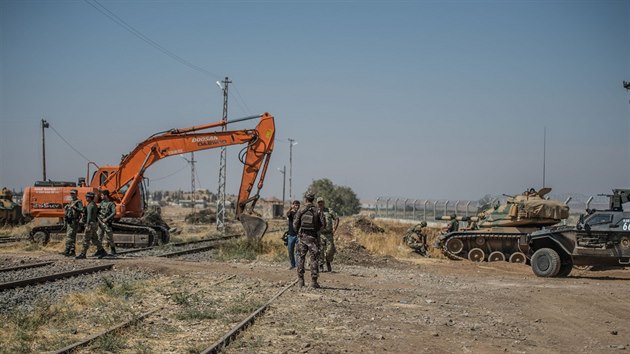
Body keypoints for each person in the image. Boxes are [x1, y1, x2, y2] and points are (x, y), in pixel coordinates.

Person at [293, 193, 326, 288]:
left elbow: (295, 226)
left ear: (305, 199)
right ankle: (314, 282)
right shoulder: (318, 210)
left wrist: (299, 233)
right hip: (314, 238)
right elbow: (323, 225)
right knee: (314, 259)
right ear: (313, 199)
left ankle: (301, 281)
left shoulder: (300, 210)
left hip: (302, 237)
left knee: (300, 258)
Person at [76, 192, 106, 259]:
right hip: (94, 223)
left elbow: (89, 216)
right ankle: (101, 251)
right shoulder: (93, 204)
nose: (86, 198)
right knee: (95, 239)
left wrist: (87, 224)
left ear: (90, 198)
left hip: (90, 224)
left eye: (87, 197)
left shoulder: (90, 205)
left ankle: (83, 253)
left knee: (86, 239)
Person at [317, 197, 338, 272]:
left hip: (329, 234)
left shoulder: (329, 210)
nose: (320, 204)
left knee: (330, 250)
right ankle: (321, 265)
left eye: (321, 202)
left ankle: (328, 261)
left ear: (324, 203)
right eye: (319, 202)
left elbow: (336, 218)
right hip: (320, 234)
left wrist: (335, 228)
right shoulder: (316, 212)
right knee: (320, 250)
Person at [62, 189, 83, 257]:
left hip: (74, 221)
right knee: (71, 236)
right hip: (70, 221)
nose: (72, 195)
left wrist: (74, 207)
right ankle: (72, 250)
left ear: (76, 194)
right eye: (71, 193)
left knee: (70, 236)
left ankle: (67, 250)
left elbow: (81, 209)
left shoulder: (78, 202)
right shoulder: (71, 202)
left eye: (73, 194)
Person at [97, 190, 117, 257]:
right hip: (100, 222)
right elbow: (98, 210)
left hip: (107, 223)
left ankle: (113, 250)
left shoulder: (111, 204)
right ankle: (99, 250)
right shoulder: (102, 203)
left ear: (106, 195)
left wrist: (107, 219)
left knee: (109, 237)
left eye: (102, 195)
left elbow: (114, 212)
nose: (101, 196)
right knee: (99, 237)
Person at [286, 200, 301, 269]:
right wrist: (290, 208)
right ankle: (292, 264)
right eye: (295, 205)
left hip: (298, 235)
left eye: (298, 205)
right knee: (290, 250)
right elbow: (287, 214)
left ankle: (298, 265)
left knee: (298, 251)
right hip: (291, 235)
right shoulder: (291, 213)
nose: (297, 206)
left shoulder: (300, 213)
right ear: (293, 205)